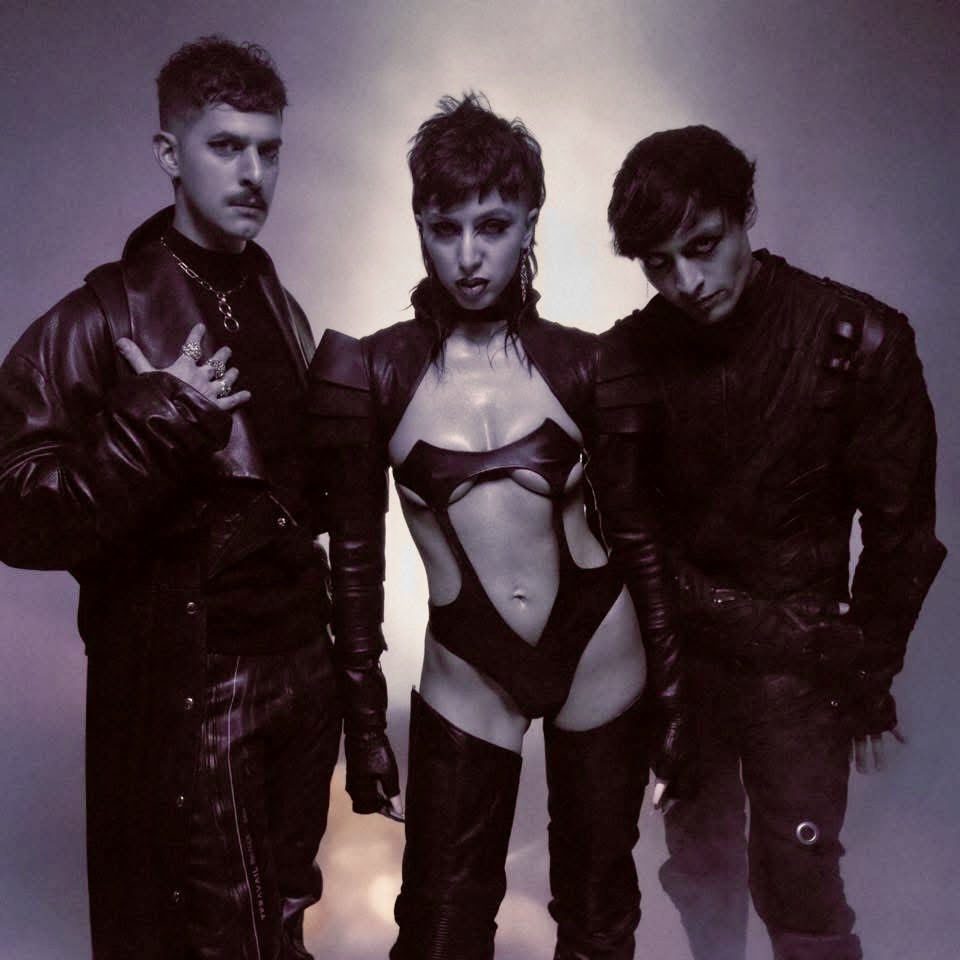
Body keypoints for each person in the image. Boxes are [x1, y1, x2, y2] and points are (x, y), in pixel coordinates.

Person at [306, 94, 692, 960]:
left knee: (598, 916)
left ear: (530, 224)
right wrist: (363, 727)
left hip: (600, 649)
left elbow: (641, 539)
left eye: (493, 225)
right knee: (441, 926)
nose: (469, 256)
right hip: (468, 666)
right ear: (418, 225)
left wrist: (675, 696)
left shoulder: (592, 363)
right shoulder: (368, 372)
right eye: (445, 229)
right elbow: (354, 564)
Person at [0, 36, 343, 959]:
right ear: (169, 155)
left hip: (300, 670)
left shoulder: (277, 302)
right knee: (224, 939)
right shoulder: (101, 317)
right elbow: (16, 508)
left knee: (282, 923)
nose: (254, 174)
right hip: (203, 681)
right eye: (226, 146)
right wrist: (157, 420)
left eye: (269, 149)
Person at [601, 125, 946, 960]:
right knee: (702, 869)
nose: (687, 282)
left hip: (802, 673)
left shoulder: (861, 340)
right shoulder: (626, 358)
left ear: (744, 210)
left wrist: (866, 673)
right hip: (685, 660)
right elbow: (622, 534)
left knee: (799, 879)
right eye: (658, 264)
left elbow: (902, 536)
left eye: (703, 245)